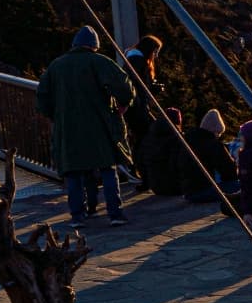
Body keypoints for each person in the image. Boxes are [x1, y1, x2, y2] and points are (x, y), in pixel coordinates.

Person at [35, 26, 135, 227]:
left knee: (74, 171)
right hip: (99, 123)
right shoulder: (100, 62)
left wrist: (53, 115)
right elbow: (124, 84)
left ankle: (78, 216)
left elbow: (42, 96)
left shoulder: (56, 66)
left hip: (68, 126)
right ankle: (115, 213)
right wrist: (123, 103)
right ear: (94, 46)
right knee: (107, 167)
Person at [119, 34, 163, 182]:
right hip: (137, 108)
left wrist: (152, 87)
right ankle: (140, 170)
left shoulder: (133, 59)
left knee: (142, 137)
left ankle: (139, 170)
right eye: (156, 51)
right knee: (145, 138)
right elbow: (137, 85)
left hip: (135, 107)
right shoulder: (138, 60)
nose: (156, 55)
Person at [184, 109, 239, 205]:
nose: (219, 136)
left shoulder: (187, 141)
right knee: (243, 185)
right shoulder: (213, 144)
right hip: (204, 191)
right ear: (215, 131)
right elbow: (229, 171)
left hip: (188, 191)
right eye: (219, 133)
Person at [140, 106, 192, 198]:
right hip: (174, 187)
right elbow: (177, 164)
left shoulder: (149, 137)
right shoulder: (177, 139)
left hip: (156, 186)